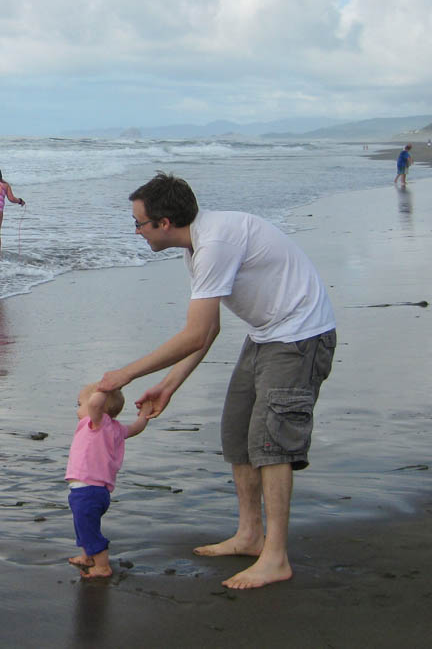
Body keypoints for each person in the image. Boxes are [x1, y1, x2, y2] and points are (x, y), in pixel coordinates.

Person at [91, 172, 336, 590]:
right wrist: (170, 384)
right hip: (266, 335)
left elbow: (196, 333)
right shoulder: (196, 247)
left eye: (139, 223)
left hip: (300, 336)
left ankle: (275, 556)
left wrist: (127, 373)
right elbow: (210, 330)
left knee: (272, 442)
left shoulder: (215, 244)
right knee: (237, 432)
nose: (136, 231)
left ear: (164, 222)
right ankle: (249, 535)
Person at [65, 387, 153, 579]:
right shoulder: (116, 428)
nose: (77, 410)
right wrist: (145, 413)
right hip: (96, 492)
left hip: (87, 491)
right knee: (84, 525)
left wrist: (107, 386)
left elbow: (96, 403)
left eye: (80, 405)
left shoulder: (97, 423)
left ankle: (102, 566)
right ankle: (88, 556)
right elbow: (136, 427)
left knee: (88, 527)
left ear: (97, 408)